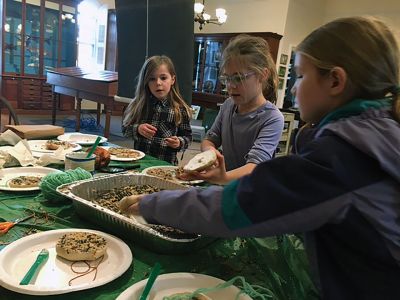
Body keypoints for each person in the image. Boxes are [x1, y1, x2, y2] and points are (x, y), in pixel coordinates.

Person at [120, 17, 400, 299]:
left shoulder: (342, 156)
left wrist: (152, 203)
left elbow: (240, 204)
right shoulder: (375, 134)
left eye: (300, 76)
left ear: (335, 81)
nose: (292, 88)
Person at [185, 35, 284, 184]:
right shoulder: (228, 106)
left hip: (252, 193)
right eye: (227, 79)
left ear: (263, 75)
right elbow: (209, 140)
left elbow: (254, 167)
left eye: (238, 78)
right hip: (226, 187)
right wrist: (211, 154)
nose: (230, 86)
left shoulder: (272, 118)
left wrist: (222, 177)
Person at [122, 55, 192, 165]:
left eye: (163, 78)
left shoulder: (180, 109)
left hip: (165, 166)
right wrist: (138, 129)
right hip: (140, 163)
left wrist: (179, 142)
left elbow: (187, 137)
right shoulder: (139, 105)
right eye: (152, 79)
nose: (158, 83)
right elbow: (125, 130)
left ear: (172, 79)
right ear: (146, 82)